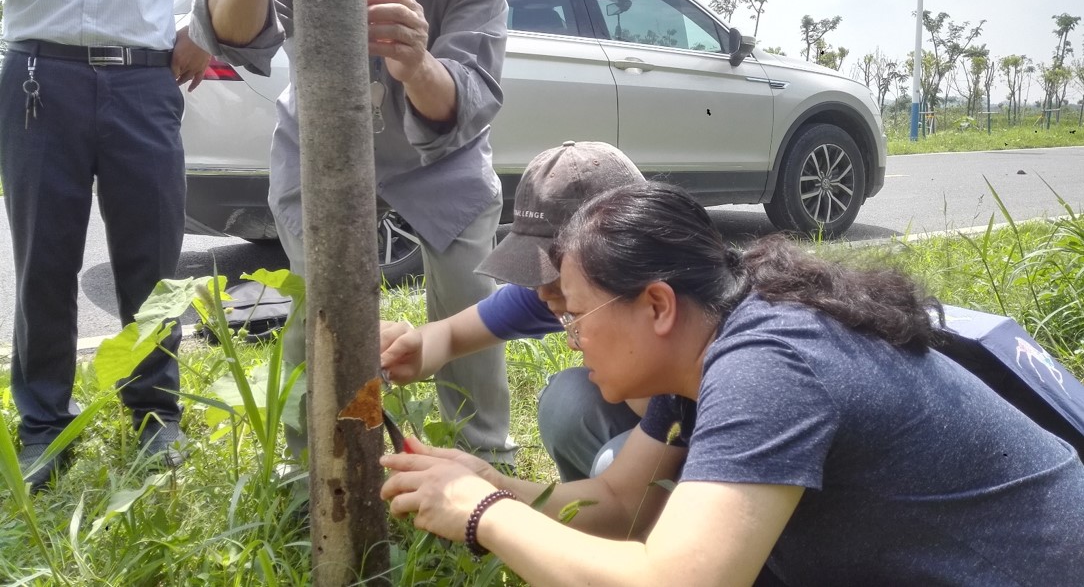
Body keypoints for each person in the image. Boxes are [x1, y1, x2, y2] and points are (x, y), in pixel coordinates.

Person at [381, 184, 1084, 586]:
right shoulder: (712, 336)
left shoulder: (768, 363)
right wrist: (492, 482)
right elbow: (624, 500)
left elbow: (676, 582)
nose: (569, 336)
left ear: (655, 304)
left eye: (578, 310)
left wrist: (482, 513)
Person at [189, 0, 515, 467]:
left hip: (442, 157)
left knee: (468, 289)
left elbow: (470, 96)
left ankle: (481, 455)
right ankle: (322, 461)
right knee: (329, 300)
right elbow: (233, 34)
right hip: (322, 143)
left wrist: (416, 62)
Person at [0, 0, 225, 489]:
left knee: (153, 261)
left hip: (141, 82)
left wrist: (202, 28)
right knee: (43, 261)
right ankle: (43, 424)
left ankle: (156, 416)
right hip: (40, 77)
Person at [381, 140, 648, 483]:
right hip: (660, 432)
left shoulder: (685, 319)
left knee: (619, 465)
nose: (542, 290)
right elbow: (449, 334)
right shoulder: (552, 295)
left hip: (701, 447)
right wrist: (414, 350)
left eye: (555, 272)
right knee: (569, 401)